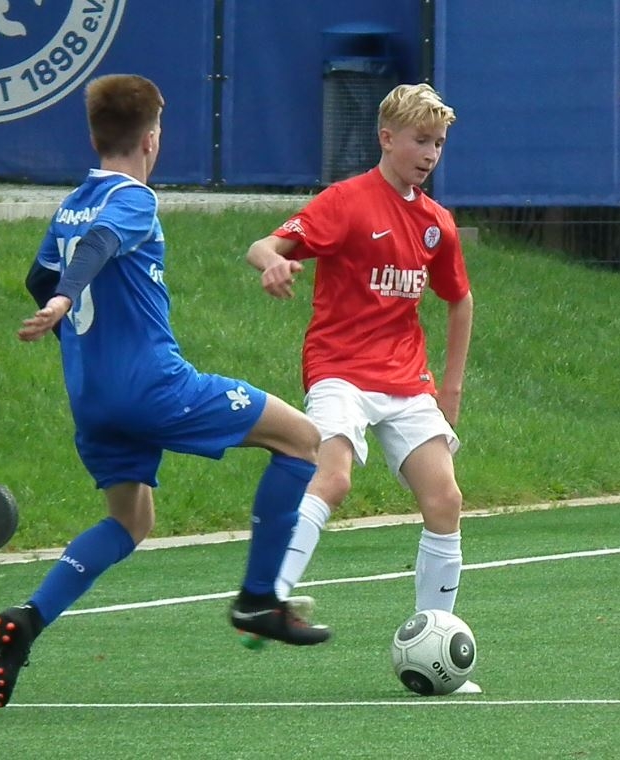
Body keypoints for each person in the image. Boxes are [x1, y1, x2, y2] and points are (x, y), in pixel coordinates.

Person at [0, 73, 330, 709]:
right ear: (151, 140)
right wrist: (66, 298)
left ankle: (28, 619)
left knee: (131, 519)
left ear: (94, 136)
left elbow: (40, 274)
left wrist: (62, 308)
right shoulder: (133, 199)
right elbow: (99, 245)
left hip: (92, 397)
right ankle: (258, 600)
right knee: (302, 440)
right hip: (152, 387)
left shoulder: (72, 202)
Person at [243, 83, 477, 689]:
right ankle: (270, 600)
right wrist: (273, 262)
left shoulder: (437, 224)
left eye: (439, 143)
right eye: (421, 141)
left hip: (406, 379)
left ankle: (435, 638)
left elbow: (459, 299)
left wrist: (450, 389)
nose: (431, 154)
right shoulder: (345, 202)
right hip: (340, 368)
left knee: (445, 500)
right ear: (387, 138)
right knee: (334, 476)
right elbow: (264, 244)